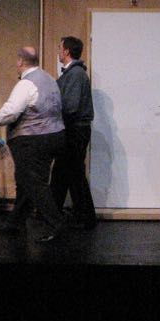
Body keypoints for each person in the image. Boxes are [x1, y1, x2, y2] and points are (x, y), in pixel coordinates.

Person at [0, 46, 65, 243]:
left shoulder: (26, 83)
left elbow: (12, 111)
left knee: (34, 183)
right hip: (55, 135)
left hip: (32, 139)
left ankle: (56, 224)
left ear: (20, 61)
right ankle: (16, 221)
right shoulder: (49, 79)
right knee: (25, 179)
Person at [49, 36, 97, 229]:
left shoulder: (75, 74)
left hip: (74, 130)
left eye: (60, 48)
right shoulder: (73, 74)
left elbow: (71, 106)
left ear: (67, 51)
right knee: (63, 171)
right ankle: (53, 212)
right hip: (73, 129)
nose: (58, 51)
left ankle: (85, 217)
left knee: (73, 173)